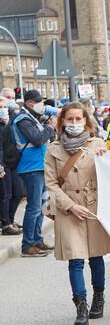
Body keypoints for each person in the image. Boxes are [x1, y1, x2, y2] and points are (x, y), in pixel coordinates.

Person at [44, 102, 110, 325]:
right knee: (75, 260)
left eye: (78, 119)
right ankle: (80, 306)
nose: (74, 123)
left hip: (93, 206)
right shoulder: (53, 148)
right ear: (62, 121)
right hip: (68, 209)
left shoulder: (97, 144)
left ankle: (99, 297)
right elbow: (51, 183)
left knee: (95, 256)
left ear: (86, 121)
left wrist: (106, 157)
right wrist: (69, 205)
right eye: (70, 119)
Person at [10, 90, 53, 257]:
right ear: (29, 103)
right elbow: (36, 139)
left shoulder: (32, 118)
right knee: (34, 207)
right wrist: (49, 127)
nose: (41, 105)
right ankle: (28, 245)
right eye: (38, 102)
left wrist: (47, 128)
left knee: (41, 207)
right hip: (30, 168)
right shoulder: (23, 119)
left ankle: (37, 240)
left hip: (39, 166)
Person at [0, 101, 22, 235]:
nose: (3, 109)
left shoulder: (10, 122)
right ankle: (6, 223)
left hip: (12, 162)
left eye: (4, 107)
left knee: (17, 193)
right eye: (0, 107)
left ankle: (10, 219)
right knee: (5, 194)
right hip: (3, 163)